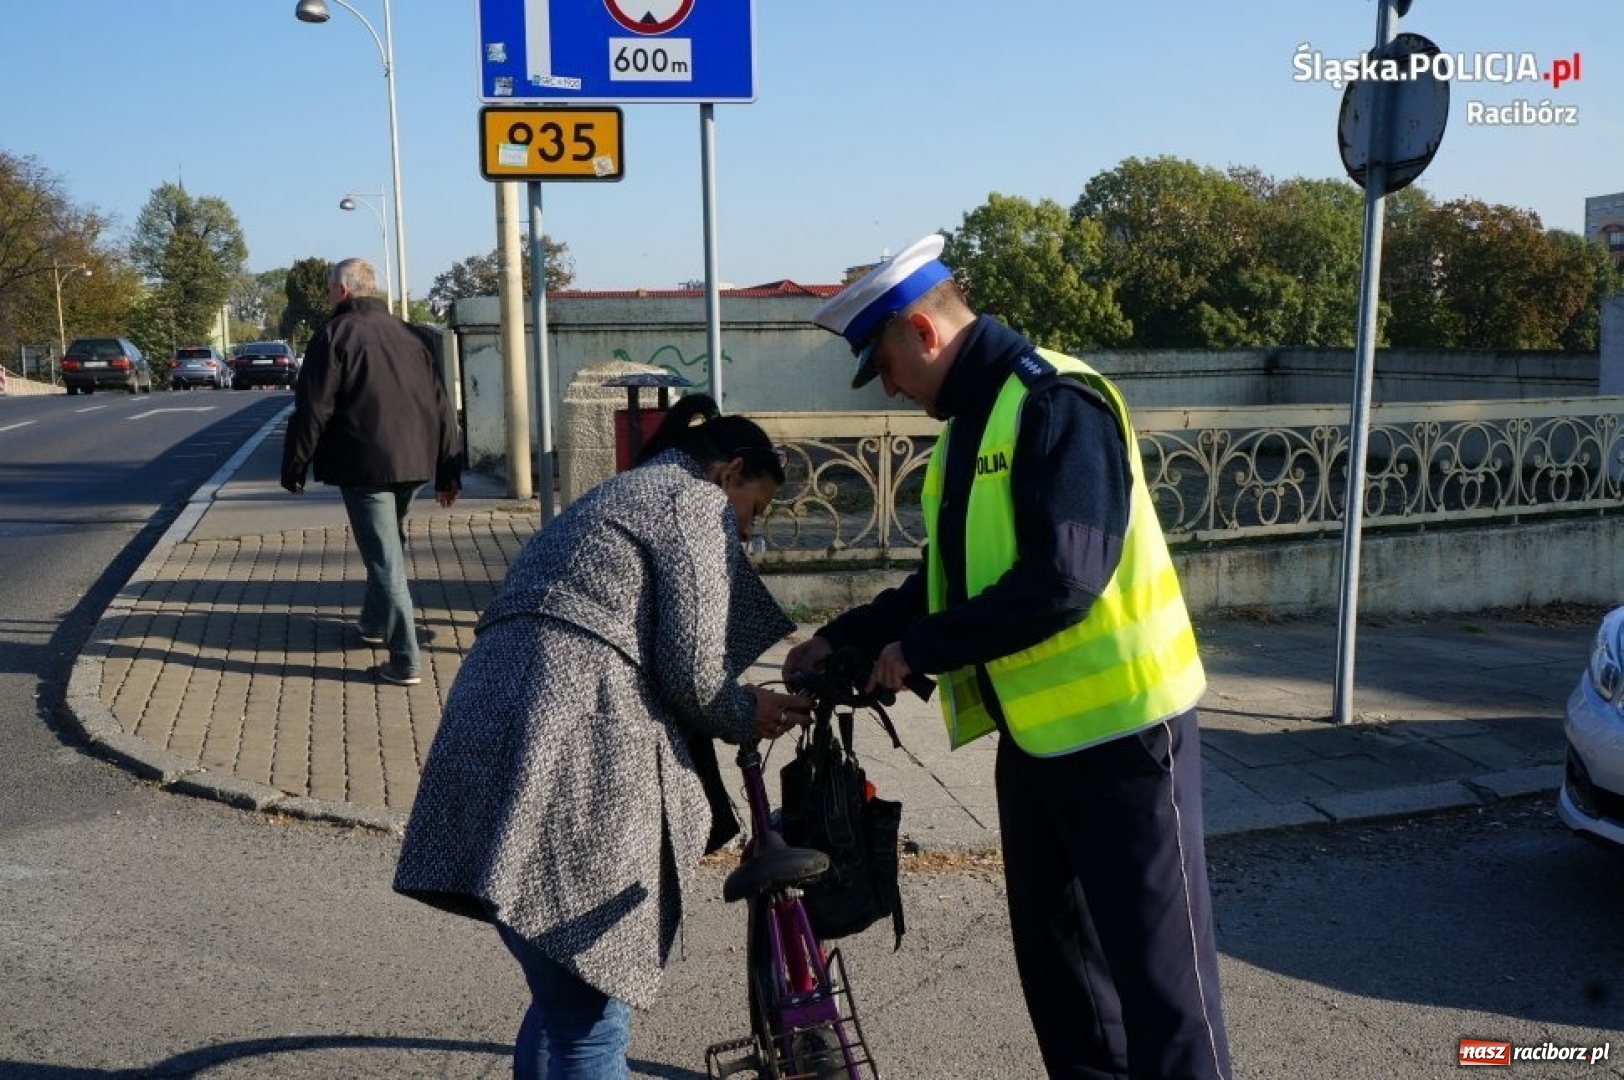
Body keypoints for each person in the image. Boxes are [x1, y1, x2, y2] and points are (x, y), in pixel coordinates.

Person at [785, 235, 1232, 1078]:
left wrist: (918, 651)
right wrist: (843, 638)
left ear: (921, 331)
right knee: (1065, 987)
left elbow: (1066, 579)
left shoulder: (1055, 400)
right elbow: (946, 583)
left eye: (883, 363)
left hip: (1130, 742)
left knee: (1164, 993)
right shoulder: (966, 429)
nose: (887, 386)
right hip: (1036, 744)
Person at [393, 394, 811, 1079]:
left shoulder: (621, 494)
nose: (746, 533)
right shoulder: (693, 502)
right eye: (754, 511)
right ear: (730, 472)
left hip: (491, 731)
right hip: (576, 756)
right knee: (591, 1026)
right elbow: (694, 673)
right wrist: (747, 711)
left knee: (561, 1000)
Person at [280, 257, 463, 687]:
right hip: (417, 460)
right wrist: (449, 470)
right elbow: (441, 404)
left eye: (329, 289)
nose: (328, 297)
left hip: (365, 464)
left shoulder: (333, 334)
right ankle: (373, 622)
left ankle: (404, 660)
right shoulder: (412, 334)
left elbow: (314, 408)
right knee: (389, 542)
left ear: (342, 291)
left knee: (384, 557)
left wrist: (295, 465)